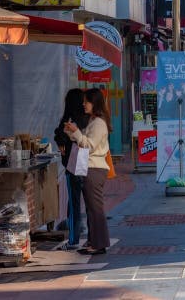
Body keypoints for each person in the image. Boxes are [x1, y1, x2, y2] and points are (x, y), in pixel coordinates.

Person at [64, 88, 111, 255]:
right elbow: (84, 140)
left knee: (95, 208)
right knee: (91, 208)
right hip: (89, 168)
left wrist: (76, 132)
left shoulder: (98, 123)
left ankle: (99, 243)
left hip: (95, 168)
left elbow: (89, 145)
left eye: (87, 101)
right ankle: (94, 242)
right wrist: (73, 132)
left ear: (94, 103)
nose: (84, 104)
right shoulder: (93, 120)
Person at [54, 89, 89, 250]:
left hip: (73, 164)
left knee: (74, 203)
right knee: (89, 202)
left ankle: (74, 240)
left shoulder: (70, 121)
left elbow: (59, 133)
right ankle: (92, 237)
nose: (84, 104)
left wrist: (61, 143)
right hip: (89, 164)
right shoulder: (89, 119)